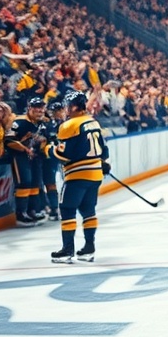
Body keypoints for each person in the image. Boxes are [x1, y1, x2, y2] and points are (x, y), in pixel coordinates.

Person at [48, 91, 108, 264]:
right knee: (88, 210)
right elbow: (103, 150)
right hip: (95, 174)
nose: (66, 109)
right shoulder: (93, 122)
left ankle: (67, 250)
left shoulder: (68, 125)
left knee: (67, 209)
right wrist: (103, 163)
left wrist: (49, 149)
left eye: (67, 105)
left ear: (74, 107)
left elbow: (64, 155)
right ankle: (89, 248)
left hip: (77, 174)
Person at [7, 98, 48, 227]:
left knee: (35, 183)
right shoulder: (19, 122)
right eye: (36, 107)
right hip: (20, 156)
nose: (39, 110)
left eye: (41, 107)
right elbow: (8, 140)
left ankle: (32, 211)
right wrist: (24, 148)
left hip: (35, 157)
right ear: (29, 108)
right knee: (24, 182)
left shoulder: (41, 123)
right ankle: (21, 214)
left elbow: (46, 140)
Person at [37, 100, 66, 222]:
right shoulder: (46, 124)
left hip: (54, 156)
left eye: (59, 110)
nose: (57, 113)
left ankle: (54, 207)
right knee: (44, 182)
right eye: (55, 111)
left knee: (51, 182)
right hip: (44, 156)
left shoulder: (66, 124)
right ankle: (49, 207)